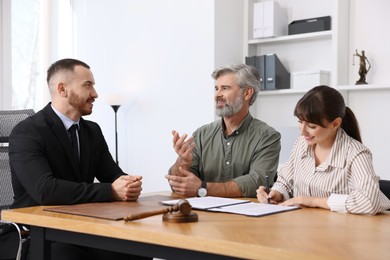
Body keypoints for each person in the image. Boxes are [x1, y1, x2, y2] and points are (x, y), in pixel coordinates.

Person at [9, 58, 148, 259]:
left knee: (138, 250)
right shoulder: (27, 132)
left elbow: (112, 175)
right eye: (88, 85)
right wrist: (110, 190)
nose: (95, 94)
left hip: (81, 227)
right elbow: (46, 190)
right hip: (38, 232)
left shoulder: (91, 130)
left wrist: (128, 184)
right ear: (62, 89)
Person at [256, 85, 390, 215]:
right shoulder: (302, 144)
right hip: (302, 227)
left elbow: (369, 202)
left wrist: (314, 201)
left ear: (335, 124)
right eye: (300, 122)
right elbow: (285, 181)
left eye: (312, 126)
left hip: (343, 231)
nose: (303, 132)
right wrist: (276, 193)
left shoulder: (357, 154)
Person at [165, 64, 281, 198]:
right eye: (216, 88)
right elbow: (177, 183)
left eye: (225, 88)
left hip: (247, 216)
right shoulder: (202, 134)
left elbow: (257, 181)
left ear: (247, 93)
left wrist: (203, 188)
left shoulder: (267, 136)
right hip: (204, 215)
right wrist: (183, 162)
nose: (217, 95)